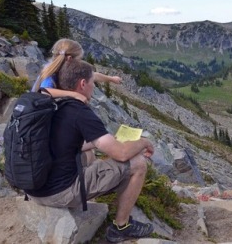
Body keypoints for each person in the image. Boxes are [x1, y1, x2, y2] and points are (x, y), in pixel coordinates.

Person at [26, 59, 155, 242]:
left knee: (89, 153)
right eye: (93, 82)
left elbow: (66, 145)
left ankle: (103, 188)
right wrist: (144, 142)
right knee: (138, 164)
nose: (94, 86)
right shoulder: (79, 111)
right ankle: (121, 226)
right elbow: (122, 154)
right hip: (57, 193)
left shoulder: (47, 103)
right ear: (83, 84)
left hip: (33, 187)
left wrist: (96, 143)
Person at [32, 38, 122, 102]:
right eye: (79, 59)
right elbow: (45, 91)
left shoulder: (65, 69)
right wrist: (75, 95)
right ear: (70, 58)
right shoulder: (51, 71)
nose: (80, 62)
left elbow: (92, 75)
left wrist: (112, 79)